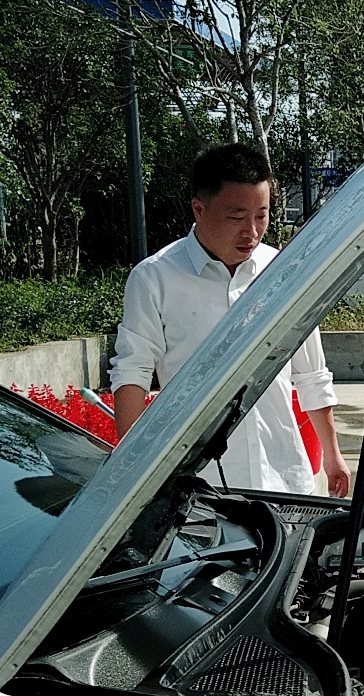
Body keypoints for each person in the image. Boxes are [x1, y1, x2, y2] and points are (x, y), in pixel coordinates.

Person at [110, 143, 351, 497]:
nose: (251, 232)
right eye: (237, 218)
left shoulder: (284, 272)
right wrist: (130, 472)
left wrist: (332, 454)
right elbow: (132, 372)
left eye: (261, 216)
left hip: (283, 476)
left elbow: (311, 372)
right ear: (199, 209)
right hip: (198, 489)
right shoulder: (155, 279)